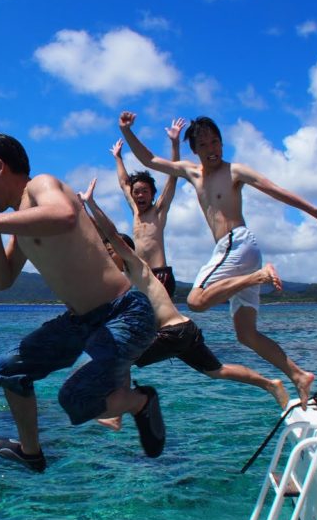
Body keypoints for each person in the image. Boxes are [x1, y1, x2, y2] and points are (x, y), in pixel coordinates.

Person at [0, 129, 164, 471]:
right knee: (8, 368)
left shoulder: (41, 185)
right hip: (78, 322)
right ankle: (31, 452)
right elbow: (3, 280)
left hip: (124, 313)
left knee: (74, 399)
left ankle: (141, 401)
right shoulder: (17, 223)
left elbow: (64, 215)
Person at [116, 111, 317, 407]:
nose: (212, 149)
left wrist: (315, 212)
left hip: (237, 243)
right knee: (246, 334)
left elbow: (274, 189)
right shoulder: (192, 173)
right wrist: (127, 132)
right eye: (204, 145)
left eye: (216, 142)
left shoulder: (234, 171)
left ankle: (260, 277)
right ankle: (298, 375)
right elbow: (149, 161)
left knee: (195, 300)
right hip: (239, 253)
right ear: (195, 150)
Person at [80, 178, 289, 419]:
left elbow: (110, 233)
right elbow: (102, 238)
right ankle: (270, 384)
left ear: (125, 251)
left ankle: (117, 412)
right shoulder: (123, 283)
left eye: (111, 251)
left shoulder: (136, 267)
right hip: (184, 330)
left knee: (121, 356)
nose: (108, 255)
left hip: (173, 334)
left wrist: (90, 204)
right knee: (217, 370)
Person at [110, 118, 184, 298]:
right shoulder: (135, 212)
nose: (140, 195)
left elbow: (173, 175)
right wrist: (118, 158)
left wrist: (174, 143)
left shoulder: (158, 211)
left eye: (145, 191)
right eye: (137, 192)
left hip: (161, 274)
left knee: (160, 319)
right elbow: (123, 183)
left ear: (152, 194)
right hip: (141, 275)